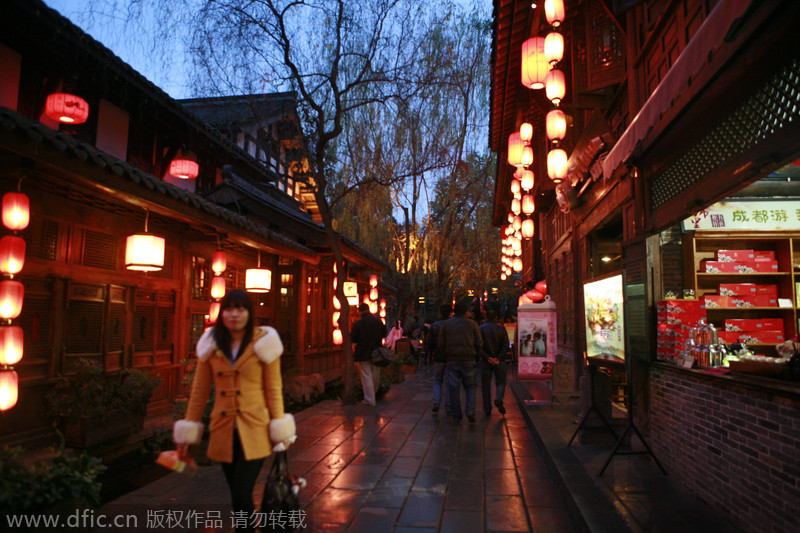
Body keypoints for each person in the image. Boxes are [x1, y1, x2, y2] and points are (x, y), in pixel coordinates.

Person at [173, 290, 295, 533]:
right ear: (222, 313)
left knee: (242, 492)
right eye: (229, 308)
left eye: (241, 309)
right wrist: (188, 431)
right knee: (237, 496)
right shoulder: (212, 344)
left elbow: (273, 388)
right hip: (223, 429)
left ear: (250, 313)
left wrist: (279, 426)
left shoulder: (263, 342)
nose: (234, 314)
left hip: (256, 428)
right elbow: (199, 391)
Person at [437, 302, 483, 424]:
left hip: (452, 359)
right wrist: (476, 357)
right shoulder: (473, 324)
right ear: (466, 311)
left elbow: (441, 343)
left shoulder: (446, 324)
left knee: (453, 387)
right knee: (471, 386)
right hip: (469, 358)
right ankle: (470, 411)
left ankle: (457, 415)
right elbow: (479, 343)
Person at [351, 302, 387, 406]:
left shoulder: (358, 323)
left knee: (366, 376)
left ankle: (369, 399)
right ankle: (372, 396)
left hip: (363, 352)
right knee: (376, 375)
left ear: (360, 312)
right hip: (377, 352)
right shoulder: (378, 321)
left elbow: (353, 338)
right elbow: (384, 333)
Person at [480, 307, 510, 417]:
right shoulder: (501, 329)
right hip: (500, 361)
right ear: (496, 317)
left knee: (486, 385)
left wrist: (488, 358)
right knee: (501, 382)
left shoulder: (481, 329)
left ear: (486, 317)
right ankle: (498, 398)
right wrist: (498, 357)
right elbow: (505, 345)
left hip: (486, 361)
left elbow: (478, 346)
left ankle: (487, 408)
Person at [426, 304, 452, 414]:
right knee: (449, 381)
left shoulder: (435, 326)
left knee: (437, 380)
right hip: (450, 356)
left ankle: (436, 401)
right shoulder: (453, 325)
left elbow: (430, 343)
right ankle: (448, 405)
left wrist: (430, 355)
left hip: (438, 356)